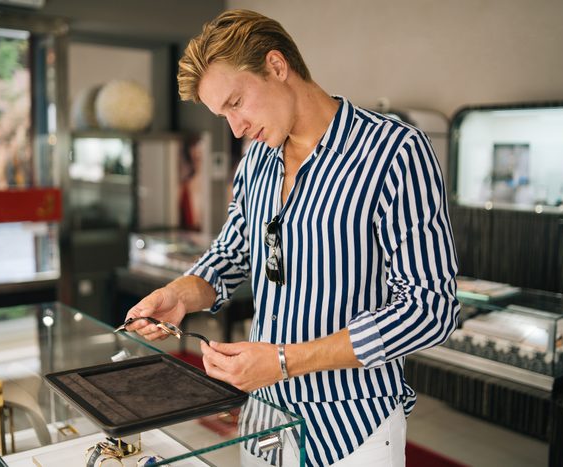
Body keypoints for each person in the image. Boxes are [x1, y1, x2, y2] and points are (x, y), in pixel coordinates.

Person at [124, 9, 459, 466]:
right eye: (223, 114)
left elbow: (430, 309)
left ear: (277, 67)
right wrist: (179, 294)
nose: (235, 127)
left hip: (353, 430)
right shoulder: (256, 162)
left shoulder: (395, 153)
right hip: (264, 422)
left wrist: (283, 361)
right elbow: (231, 255)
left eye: (236, 102)